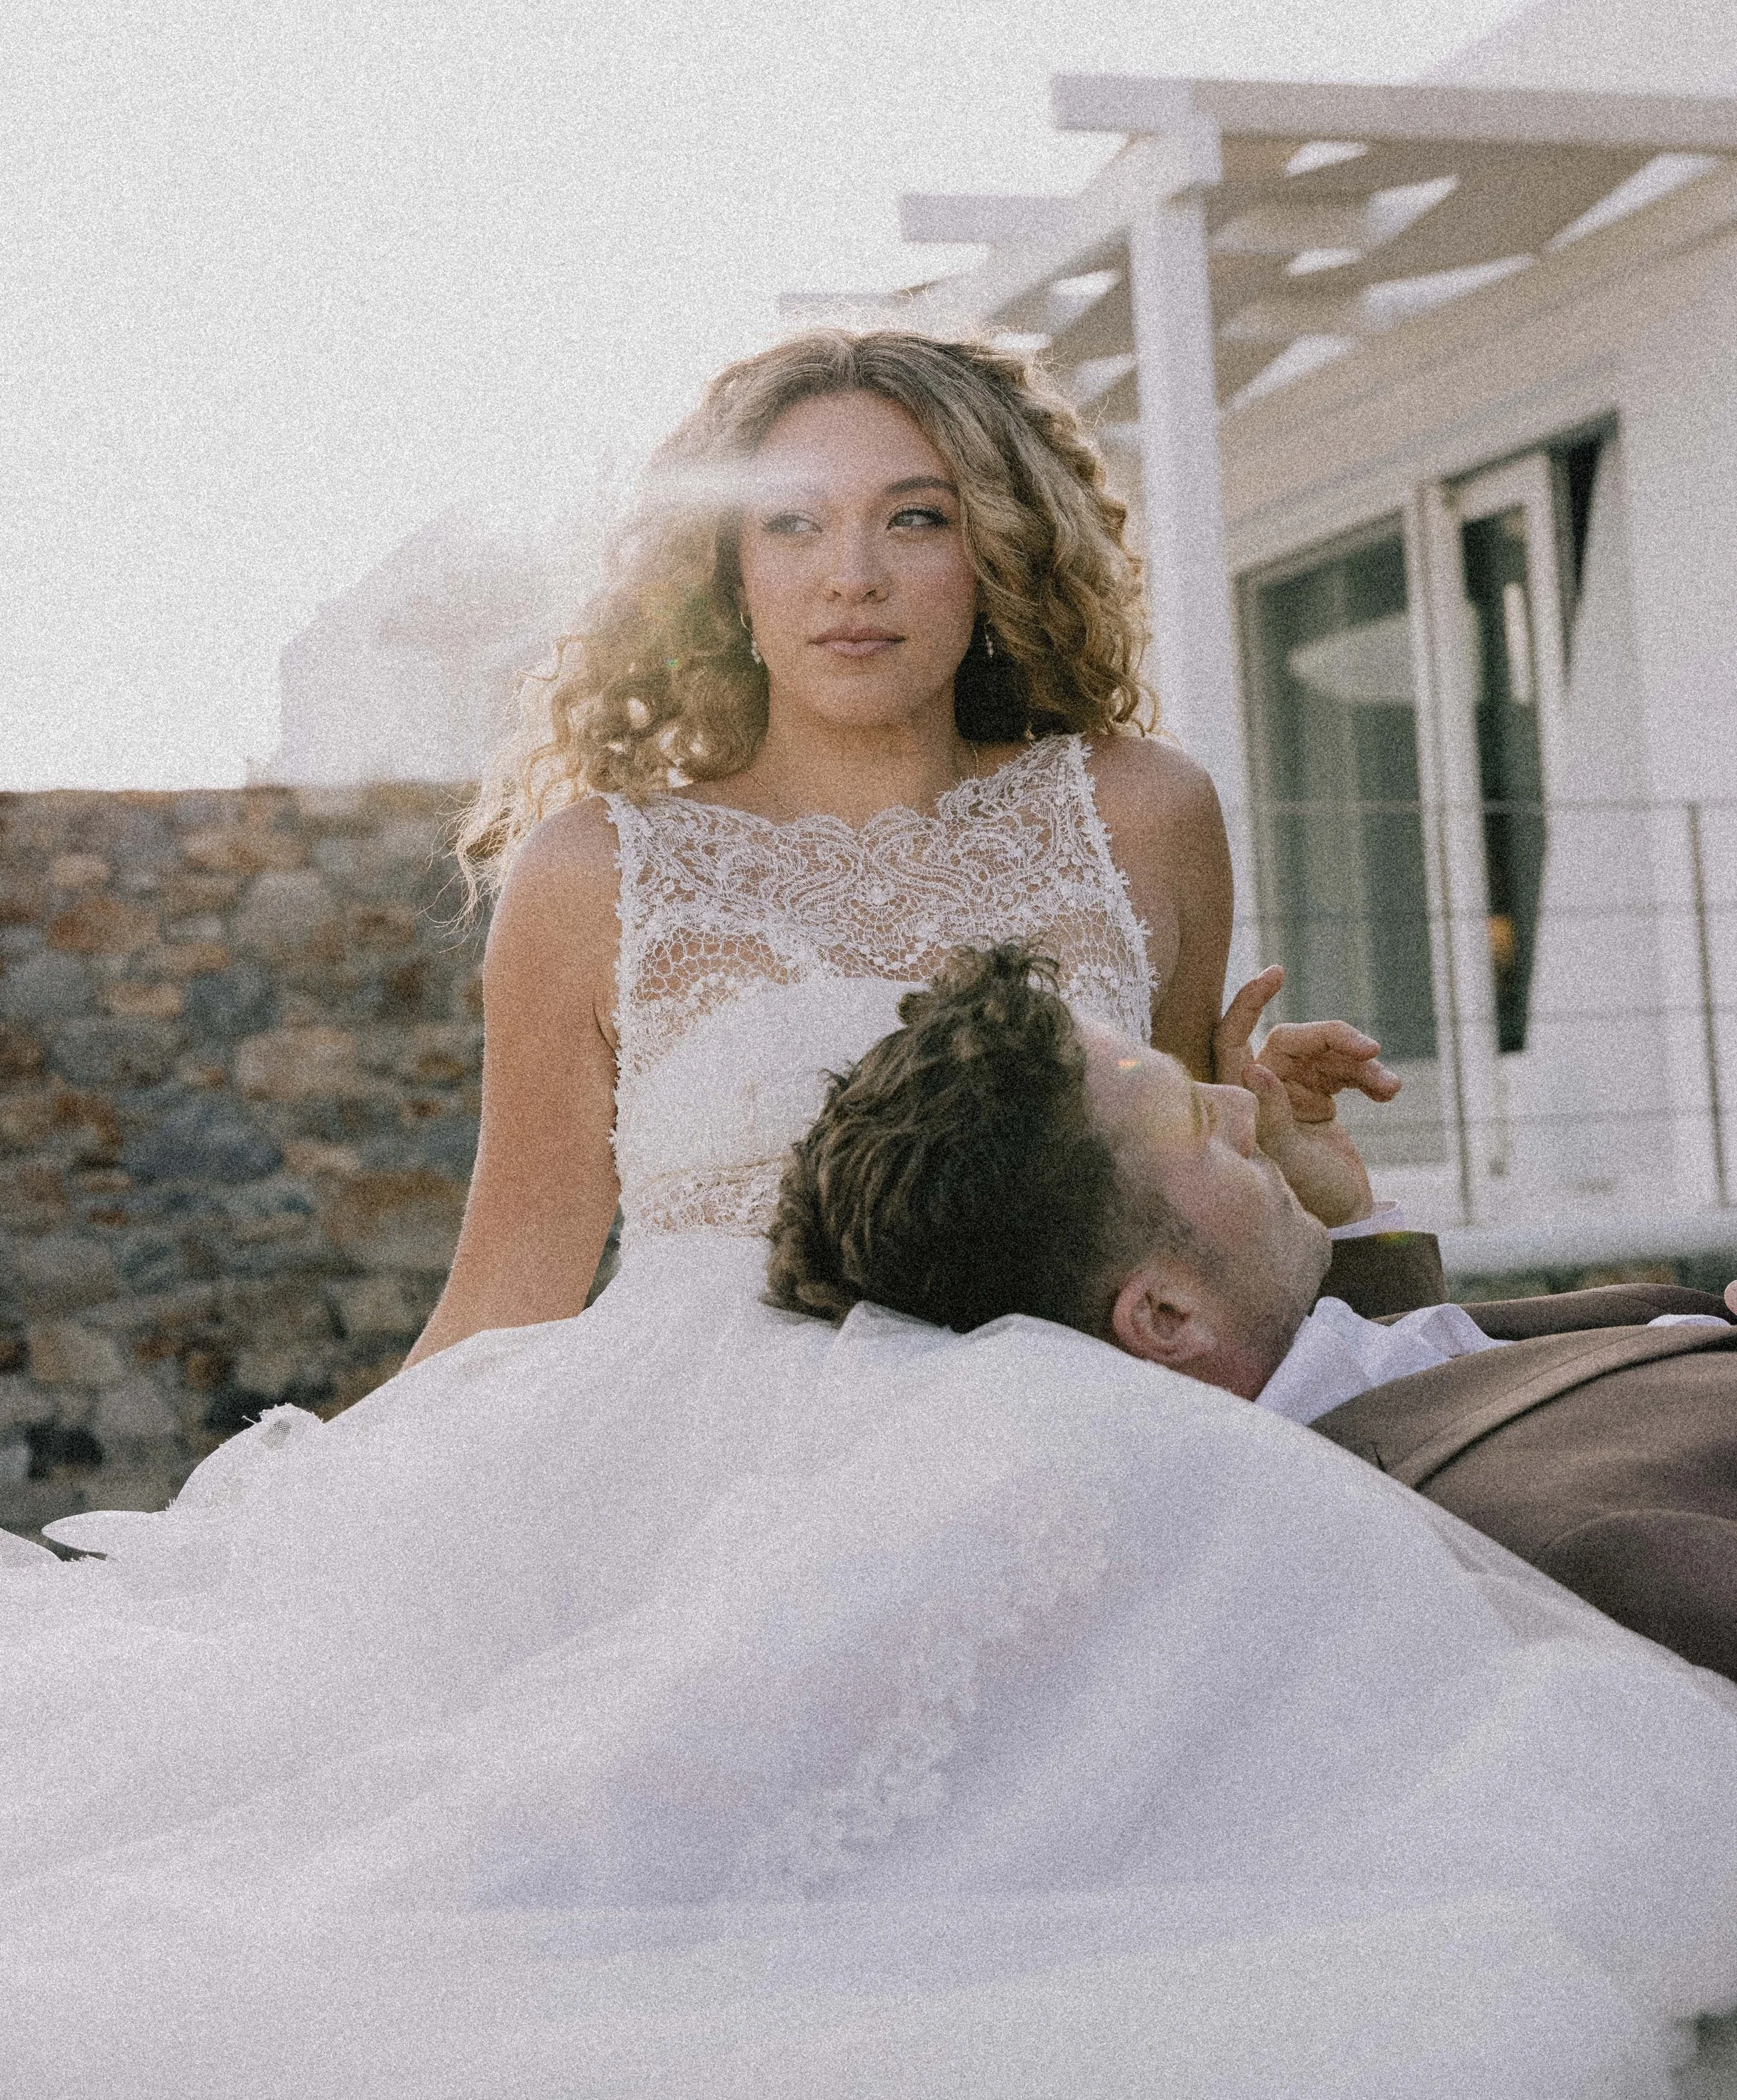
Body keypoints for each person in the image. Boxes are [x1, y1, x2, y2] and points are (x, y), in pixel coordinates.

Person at [4, 331, 1737, 2099]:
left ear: (991, 546)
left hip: (1064, 1449)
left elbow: (1173, 1210)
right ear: (719, 568)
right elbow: (514, 1280)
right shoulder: (595, 868)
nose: (850, 573)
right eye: (793, 523)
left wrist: (1293, 1155)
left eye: (912, 517)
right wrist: (316, 1527)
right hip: (669, 1453)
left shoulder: (1139, 812)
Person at [766, 940, 1737, 1676]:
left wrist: (1348, 1218)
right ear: (1167, 1319)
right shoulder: (1554, 1541)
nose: (1244, 1105)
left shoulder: (1344, 1404)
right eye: (1197, 1120)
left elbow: (1426, 1380)